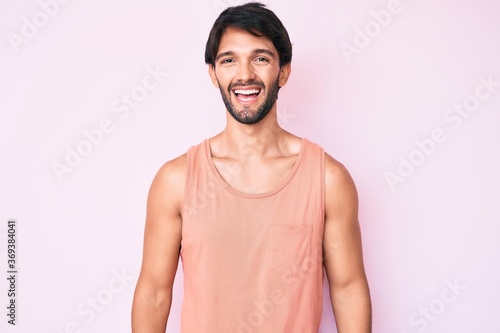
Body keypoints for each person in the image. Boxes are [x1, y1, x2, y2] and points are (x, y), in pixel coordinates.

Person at [131, 2, 371, 332]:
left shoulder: (328, 179)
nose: (245, 74)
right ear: (213, 73)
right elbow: (155, 293)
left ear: (283, 71)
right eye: (229, 60)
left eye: (260, 58)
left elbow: (347, 290)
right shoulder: (176, 180)